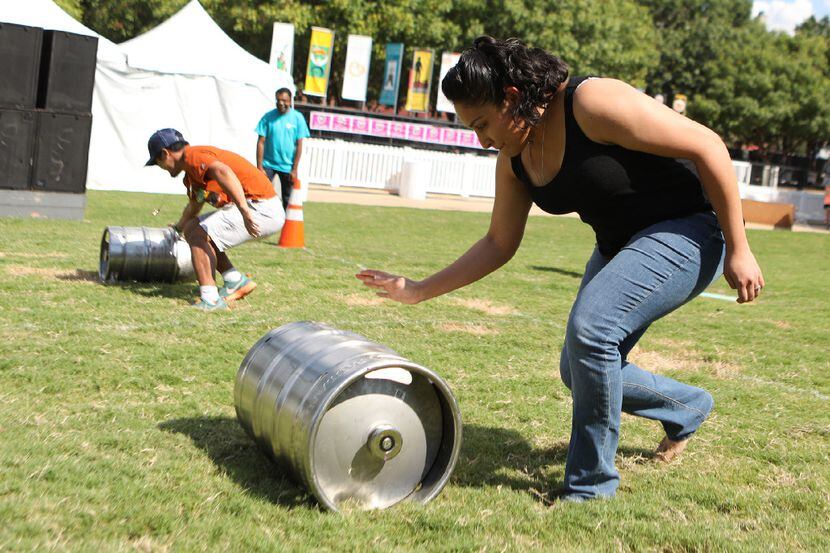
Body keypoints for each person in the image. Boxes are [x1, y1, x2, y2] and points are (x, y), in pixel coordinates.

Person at [356, 37, 765, 502]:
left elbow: (707, 145)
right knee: (579, 369)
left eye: (483, 124)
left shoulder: (590, 102)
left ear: (512, 97)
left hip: (693, 228)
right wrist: (418, 289)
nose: (483, 140)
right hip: (620, 244)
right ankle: (686, 407)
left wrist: (739, 246)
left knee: (593, 330)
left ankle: (590, 487)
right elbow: (497, 243)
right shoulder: (514, 159)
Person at [146, 128, 285, 310]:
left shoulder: (193, 157)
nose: (161, 168)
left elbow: (223, 171)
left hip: (260, 208)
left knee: (197, 233)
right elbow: (195, 206)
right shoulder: (191, 174)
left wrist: (244, 210)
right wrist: (178, 229)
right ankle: (234, 280)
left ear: (165, 153)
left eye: (158, 163)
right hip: (260, 207)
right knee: (194, 228)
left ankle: (210, 299)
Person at [256, 88, 311, 210]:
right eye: (278, 100)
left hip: (288, 167)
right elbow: (261, 142)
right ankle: (264, 226)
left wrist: (294, 169)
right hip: (268, 165)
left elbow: (299, 145)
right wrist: (260, 167)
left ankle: (286, 226)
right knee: (261, 197)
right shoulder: (268, 117)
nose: (281, 103)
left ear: (290, 101)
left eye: (284, 100)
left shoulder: (298, 118)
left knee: (288, 199)